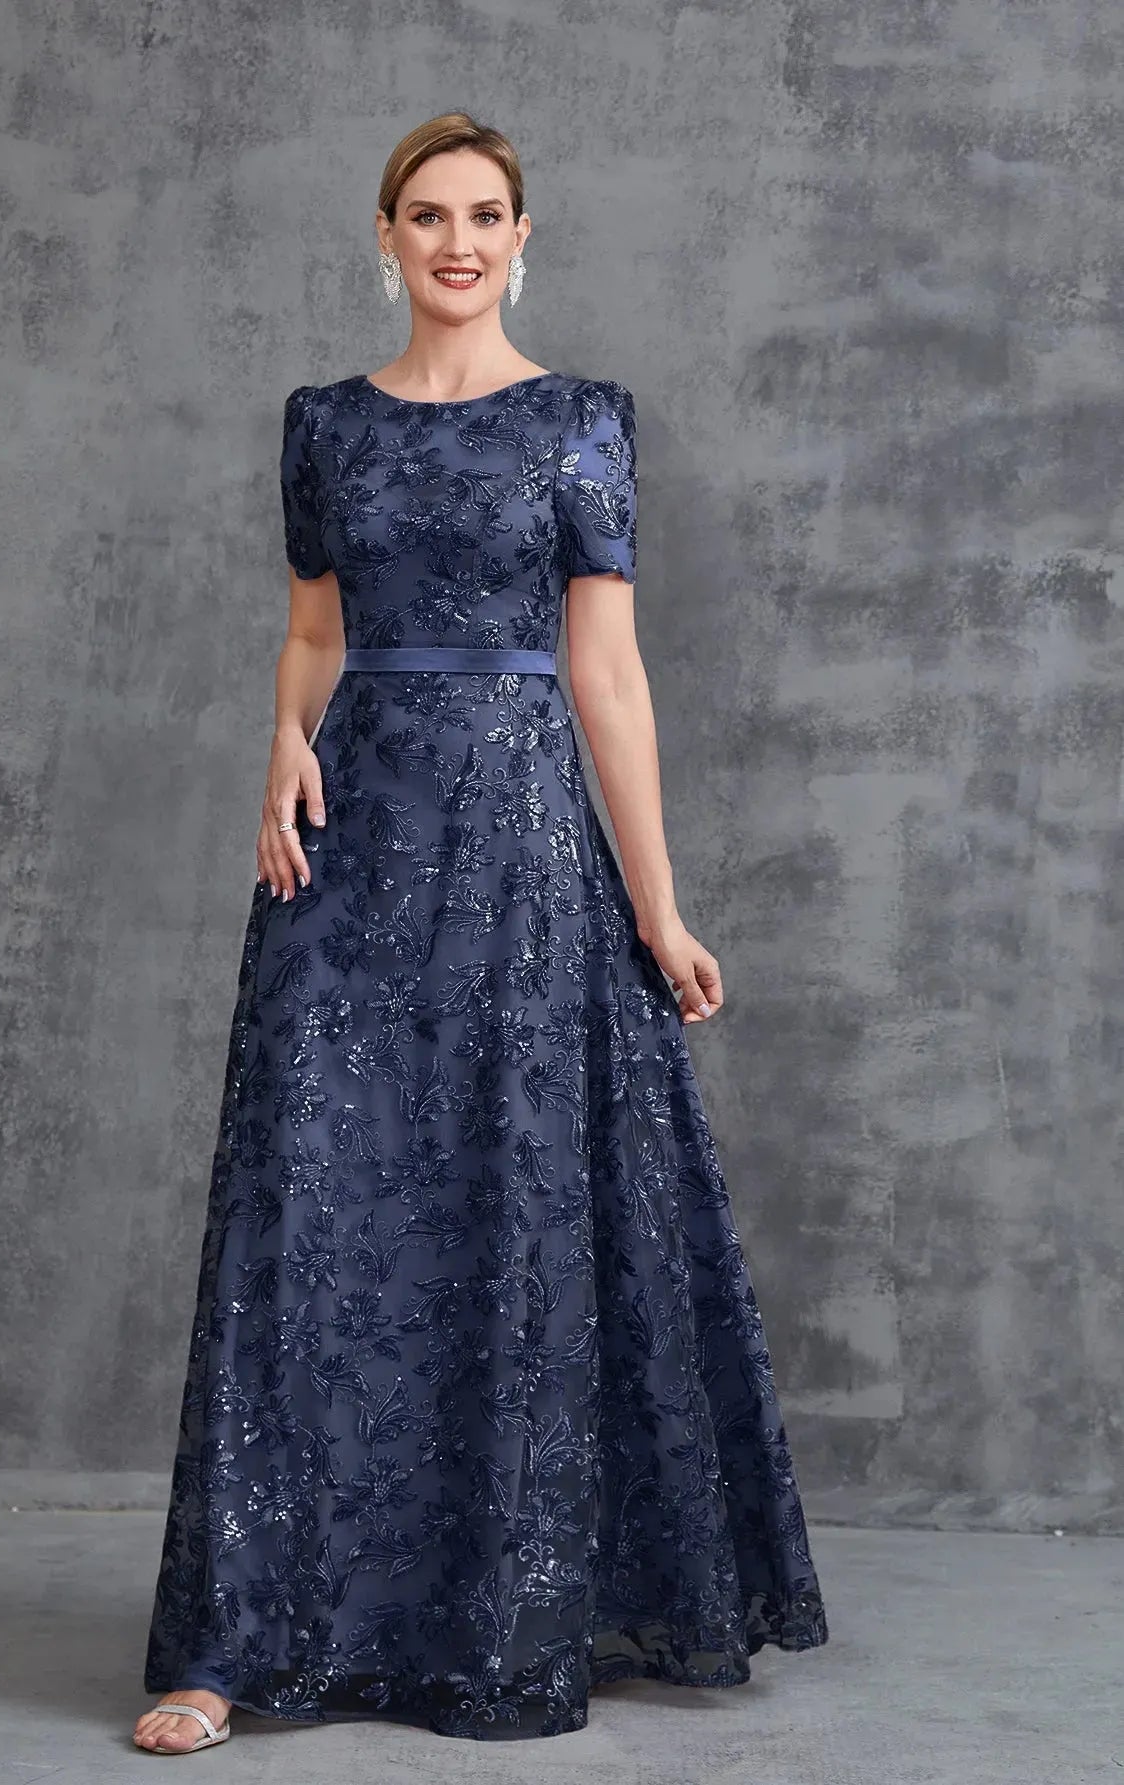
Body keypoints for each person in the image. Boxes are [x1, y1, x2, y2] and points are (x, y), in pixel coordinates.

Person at [134, 110, 828, 1751]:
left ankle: (494, 1616)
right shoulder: (324, 424)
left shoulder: (582, 423)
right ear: (385, 237)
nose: (459, 240)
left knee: (504, 1207)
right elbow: (315, 632)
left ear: (525, 239)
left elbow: (608, 677)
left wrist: (658, 904)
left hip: (520, 848)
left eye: (487, 215)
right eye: (430, 215)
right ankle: (230, 1645)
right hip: (347, 846)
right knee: (303, 1214)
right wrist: (282, 740)